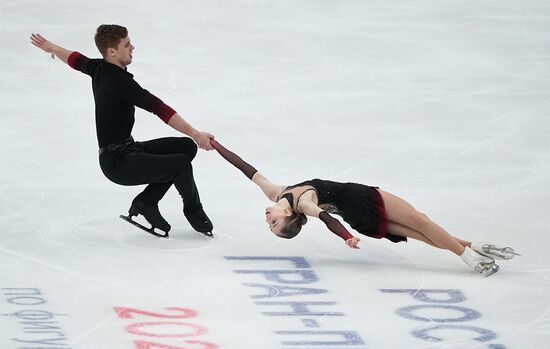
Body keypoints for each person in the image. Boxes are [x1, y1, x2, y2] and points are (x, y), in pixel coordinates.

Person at [210, 139, 519, 277]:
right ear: (289, 215)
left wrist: (216, 144)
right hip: (362, 202)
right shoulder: (303, 202)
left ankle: (473, 246)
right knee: (421, 222)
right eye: (274, 224)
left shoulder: (275, 193)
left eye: (271, 223)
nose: (268, 220)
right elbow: (328, 219)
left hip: (358, 217)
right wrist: (345, 237)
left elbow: (245, 168)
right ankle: (468, 256)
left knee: (422, 233)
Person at [30, 25, 214, 237]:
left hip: (128, 149)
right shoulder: (120, 83)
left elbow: (75, 59)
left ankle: (147, 202)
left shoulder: (98, 67)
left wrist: (52, 48)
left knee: (185, 147)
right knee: (181, 164)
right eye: (127, 44)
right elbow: (160, 109)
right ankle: (193, 210)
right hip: (118, 164)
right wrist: (197, 133)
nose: (132, 47)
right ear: (112, 51)